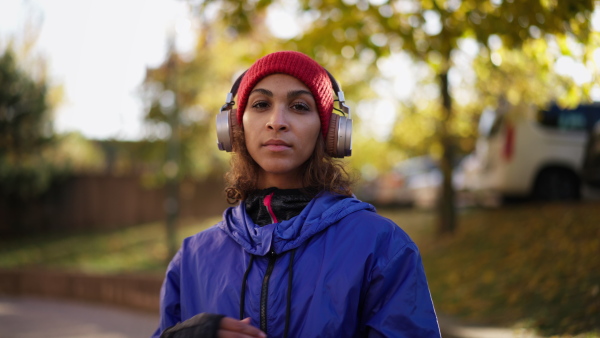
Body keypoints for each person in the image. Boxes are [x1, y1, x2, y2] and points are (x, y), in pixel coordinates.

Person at [152, 51, 441, 338]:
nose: (277, 121)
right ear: (234, 128)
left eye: (300, 106)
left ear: (330, 132)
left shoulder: (382, 247)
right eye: (262, 104)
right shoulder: (191, 259)